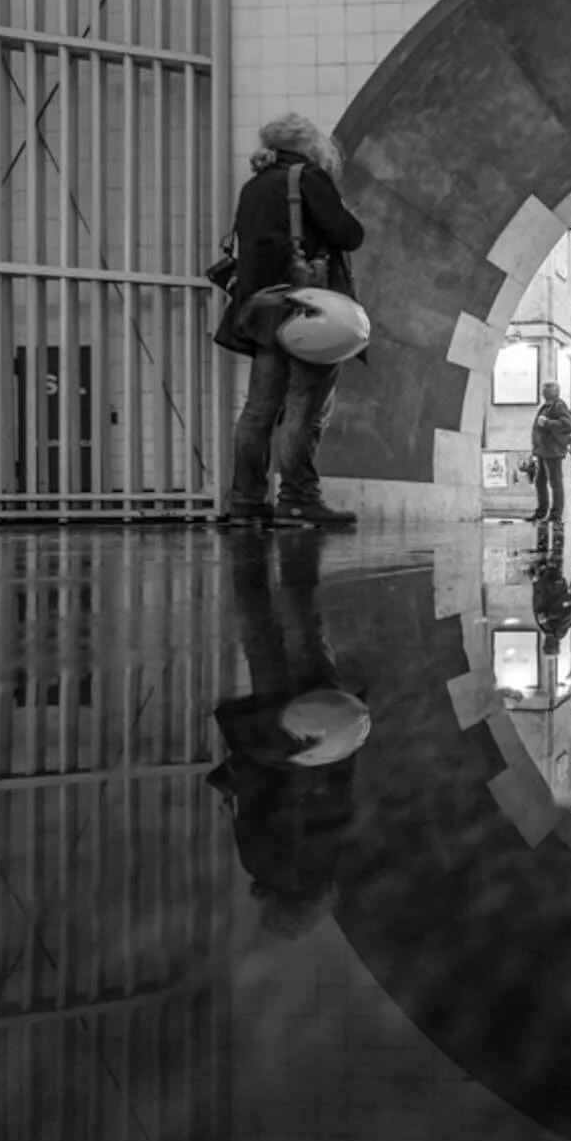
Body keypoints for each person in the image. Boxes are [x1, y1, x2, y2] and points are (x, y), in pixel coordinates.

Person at [207, 529, 370, 939]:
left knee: (305, 632)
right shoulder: (261, 863)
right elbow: (260, 795)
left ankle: (297, 549)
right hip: (279, 736)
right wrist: (237, 771)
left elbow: (337, 799)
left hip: (323, 734)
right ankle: (251, 554)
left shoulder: (324, 862)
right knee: (260, 634)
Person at [217, 113, 366, 527]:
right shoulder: (307, 178)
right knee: (305, 406)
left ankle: (246, 500)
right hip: (307, 306)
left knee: (259, 409)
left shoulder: (253, 186)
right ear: (309, 145)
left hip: (261, 310)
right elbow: (348, 235)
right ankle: (298, 497)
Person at [528, 380, 571, 522]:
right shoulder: (546, 406)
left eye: (547, 389)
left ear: (555, 391)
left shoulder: (559, 405)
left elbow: (567, 424)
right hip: (543, 451)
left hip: (553, 451)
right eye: (544, 389)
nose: (543, 391)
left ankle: (556, 514)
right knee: (540, 481)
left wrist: (547, 423)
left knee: (555, 483)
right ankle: (541, 511)